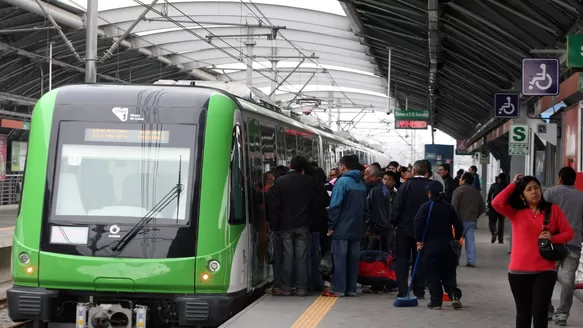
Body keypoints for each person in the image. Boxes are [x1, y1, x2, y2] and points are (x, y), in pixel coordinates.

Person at [492, 174, 574, 328]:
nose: (534, 191)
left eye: (536, 187)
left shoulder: (553, 210)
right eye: (528, 189)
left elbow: (568, 233)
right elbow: (496, 203)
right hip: (518, 271)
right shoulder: (515, 212)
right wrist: (513, 183)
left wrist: (552, 237)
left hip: (545, 270)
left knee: (540, 312)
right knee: (523, 313)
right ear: (522, 195)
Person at [267, 156, 318, 296]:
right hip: (303, 225)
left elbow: (275, 206)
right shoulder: (309, 181)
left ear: (290, 166)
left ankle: (286, 287)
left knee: (287, 256)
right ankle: (302, 288)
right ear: (302, 169)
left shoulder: (280, 182)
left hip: (285, 226)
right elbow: (314, 204)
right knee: (301, 257)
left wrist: (274, 225)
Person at [414, 180, 463, 310]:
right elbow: (458, 224)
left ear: (430, 193)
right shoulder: (448, 207)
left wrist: (419, 240)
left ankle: (436, 302)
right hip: (447, 245)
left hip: (431, 246)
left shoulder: (425, 207)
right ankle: (453, 295)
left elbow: (418, 224)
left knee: (432, 274)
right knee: (449, 273)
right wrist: (457, 238)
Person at [323, 155, 368, 297]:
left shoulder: (342, 182)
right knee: (353, 259)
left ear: (343, 166)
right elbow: (365, 208)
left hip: (342, 227)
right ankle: (351, 289)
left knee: (340, 258)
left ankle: (338, 289)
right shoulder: (361, 183)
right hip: (357, 227)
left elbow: (335, 206)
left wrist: (331, 225)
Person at [544, 167, 583, 326]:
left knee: (546, 277)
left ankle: (547, 310)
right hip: (573, 243)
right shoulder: (581, 196)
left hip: (551, 243)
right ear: (574, 180)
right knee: (568, 280)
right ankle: (562, 314)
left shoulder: (550, 193)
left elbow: (540, 216)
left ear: (559, 178)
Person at [390, 160, 432, 299]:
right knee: (419, 259)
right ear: (426, 173)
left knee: (402, 259)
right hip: (424, 230)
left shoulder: (405, 186)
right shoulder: (431, 187)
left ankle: (402, 290)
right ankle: (419, 290)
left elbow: (397, 207)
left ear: (413, 172)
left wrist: (394, 223)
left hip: (405, 229)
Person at [363, 165, 391, 293]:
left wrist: (377, 230)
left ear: (374, 176)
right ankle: (381, 283)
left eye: (366, 174)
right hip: (383, 228)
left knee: (377, 257)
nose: (365, 177)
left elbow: (378, 212)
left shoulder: (376, 191)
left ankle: (379, 283)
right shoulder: (381, 188)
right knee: (381, 256)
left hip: (379, 229)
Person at [452, 172, 485, 267]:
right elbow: (482, 207)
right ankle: (471, 261)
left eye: (461, 178)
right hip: (471, 220)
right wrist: (475, 215)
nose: (459, 179)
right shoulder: (476, 192)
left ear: (464, 180)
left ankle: (455, 260)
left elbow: (454, 207)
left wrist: (452, 219)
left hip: (459, 220)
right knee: (470, 241)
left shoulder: (458, 191)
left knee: (457, 241)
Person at [487, 173, 509, 244]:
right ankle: (500, 239)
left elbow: (489, 196)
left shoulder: (494, 185)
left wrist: (489, 203)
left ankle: (494, 232)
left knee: (492, 221)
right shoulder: (507, 186)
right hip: (503, 207)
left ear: (499, 178)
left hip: (494, 206)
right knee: (501, 223)